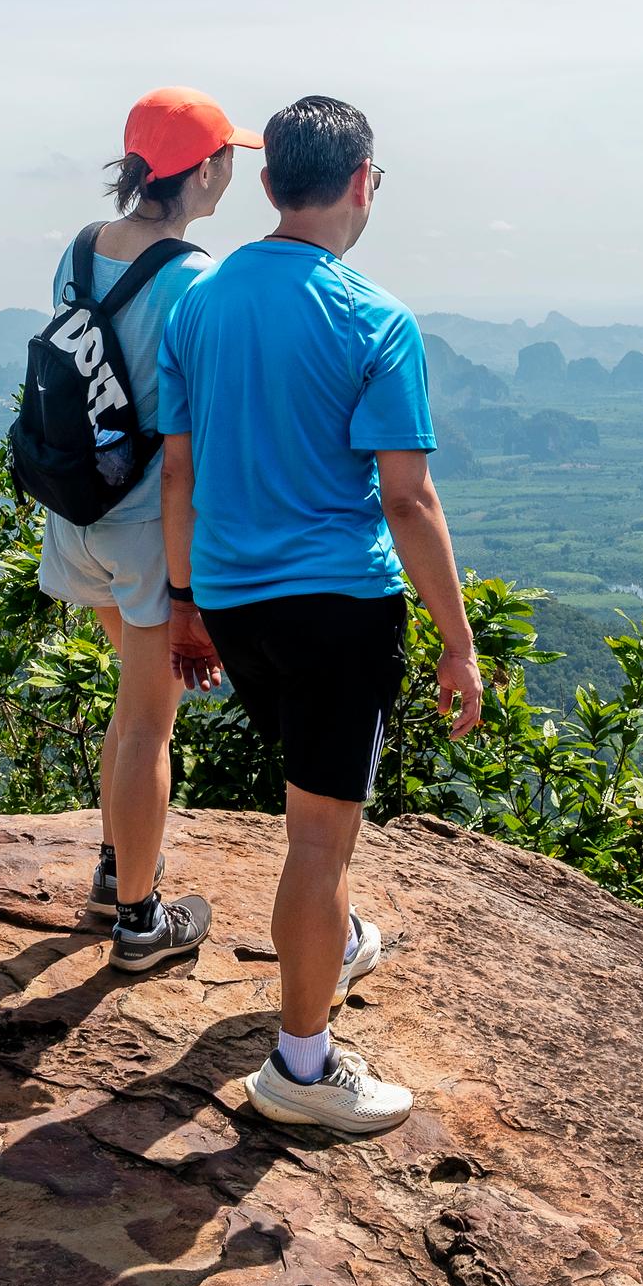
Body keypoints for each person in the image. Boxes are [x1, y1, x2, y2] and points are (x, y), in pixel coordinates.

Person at [157, 95, 483, 1136]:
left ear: (265, 184)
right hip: (338, 605)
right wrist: (458, 641)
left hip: (234, 600)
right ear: (359, 183)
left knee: (311, 821)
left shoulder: (196, 304)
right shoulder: (374, 317)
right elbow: (405, 497)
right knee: (317, 840)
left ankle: (326, 941)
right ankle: (300, 1063)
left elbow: (179, 468)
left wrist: (183, 605)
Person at [36, 86, 259, 975]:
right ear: (204, 169)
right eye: (228, 157)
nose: (234, 170)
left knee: (133, 712)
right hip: (147, 531)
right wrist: (190, 586)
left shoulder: (79, 249)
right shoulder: (198, 279)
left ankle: (115, 862)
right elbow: (186, 452)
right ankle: (138, 919)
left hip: (77, 509)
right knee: (148, 729)